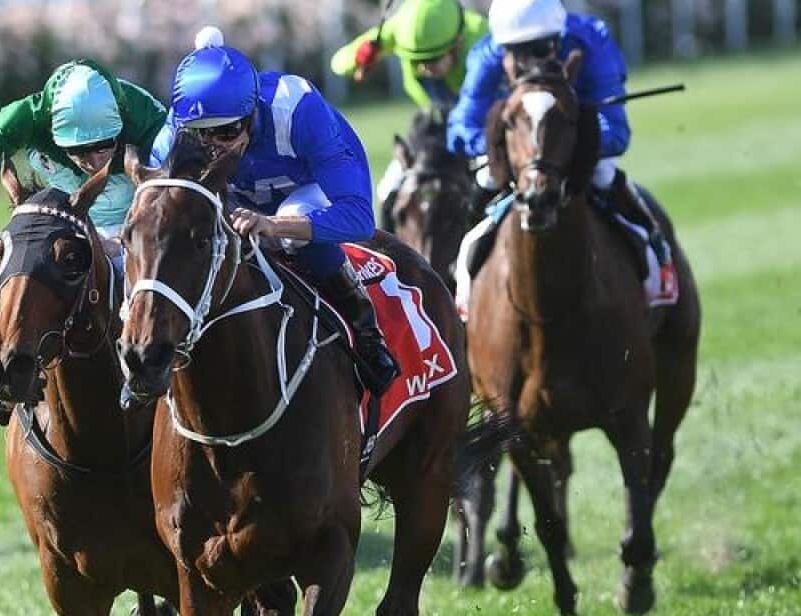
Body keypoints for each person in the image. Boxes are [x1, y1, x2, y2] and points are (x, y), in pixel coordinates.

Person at [150, 28, 399, 397]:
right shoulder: (174, 133)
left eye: (226, 132)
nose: (214, 147)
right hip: (239, 195)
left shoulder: (298, 110)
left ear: (252, 114)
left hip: (309, 187)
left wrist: (274, 224)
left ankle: (365, 331)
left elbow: (359, 219)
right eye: (201, 135)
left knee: (291, 220)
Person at [0, 59, 168, 423]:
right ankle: (10, 364)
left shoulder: (143, 114)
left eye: (104, 146)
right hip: (73, 219)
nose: (93, 160)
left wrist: (127, 237)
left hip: (141, 216)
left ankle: (152, 365)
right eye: (79, 150)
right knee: (28, 257)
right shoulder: (27, 116)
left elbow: (180, 187)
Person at [446, 0, 668, 263]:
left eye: (539, 50)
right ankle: (455, 272)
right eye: (518, 54)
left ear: (558, 40)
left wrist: (560, 144)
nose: (531, 65)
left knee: (603, 173)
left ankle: (657, 257)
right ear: (503, 52)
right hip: (522, 148)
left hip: (575, 142)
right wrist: (511, 145)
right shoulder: (488, 55)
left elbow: (616, 132)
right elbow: (459, 131)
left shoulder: (591, 40)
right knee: (487, 179)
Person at [330, 0, 488, 221]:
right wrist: (363, 55)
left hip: (482, 129)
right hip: (435, 128)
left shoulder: (482, 37)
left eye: (432, 60)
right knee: (388, 190)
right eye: (416, 61)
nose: (424, 68)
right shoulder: (401, 30)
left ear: (457, 43)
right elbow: (337, 63)